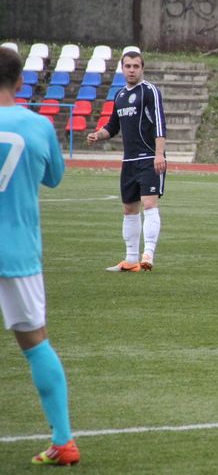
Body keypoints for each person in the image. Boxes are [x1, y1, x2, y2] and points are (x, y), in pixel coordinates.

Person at [0, 47, 79, 466]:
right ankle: (64, 440)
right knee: (35, 345)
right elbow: (54, 177)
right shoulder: (38, 125)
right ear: (19, 81)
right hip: (18, 252)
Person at [87, 49, 167, 272]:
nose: (131, 70)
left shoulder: (150, 91)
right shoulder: (120, 95)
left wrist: (159, 154)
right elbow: (113, 126)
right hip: (129, 161)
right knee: (129, 209)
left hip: (150, 157)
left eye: (136, 66)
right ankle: (131, 260)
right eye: (128, 66)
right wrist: (98, 134)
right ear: (122, 68)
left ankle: (148, 254)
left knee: (149, 204)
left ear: (142, 68)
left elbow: (160, 124)